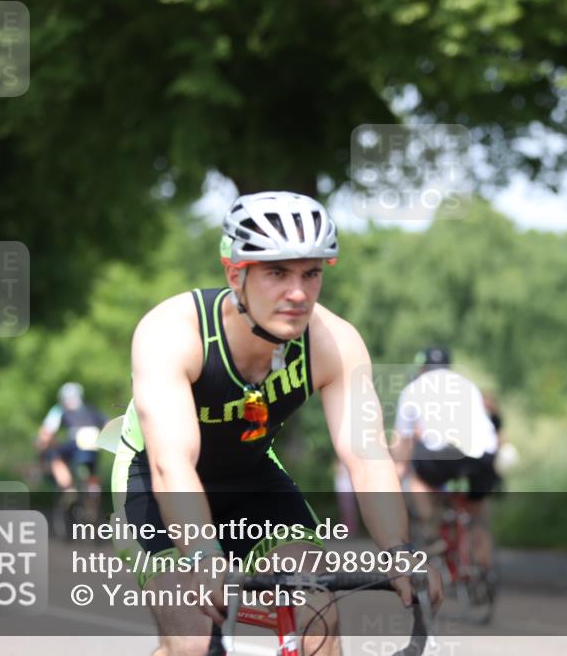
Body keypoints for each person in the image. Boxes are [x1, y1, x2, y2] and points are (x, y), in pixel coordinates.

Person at [110, 191, 441, 656]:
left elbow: (367, 458)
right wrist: (204, 556)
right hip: (157, 482)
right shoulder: (173, 331)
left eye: (311, 273)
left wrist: (399, 550)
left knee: (318, 616)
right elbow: (172, 465)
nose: (298, 293)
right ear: (235, 274)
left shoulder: (334, 342)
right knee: (193, 639)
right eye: (277, 273)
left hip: (252, 481)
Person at [392, 346, 500, 569]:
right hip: (483, 455)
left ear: (423, 367)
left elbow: (403, 440)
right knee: (476, 506)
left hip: (441, 455)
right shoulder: (468, 385)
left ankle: (431, 529)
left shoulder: (413, 389)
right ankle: (483, 559)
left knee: (417, 479)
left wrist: (399, 468)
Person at [38, 382, 108, 493]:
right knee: (92, 476)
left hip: (76, 441)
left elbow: (47, 432)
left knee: (55, 457)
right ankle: (93, 503)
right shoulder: (91, 409)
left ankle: (69, 489)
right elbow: (107, 424)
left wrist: (43, 447)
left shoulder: (59, 409)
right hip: (95, 444)